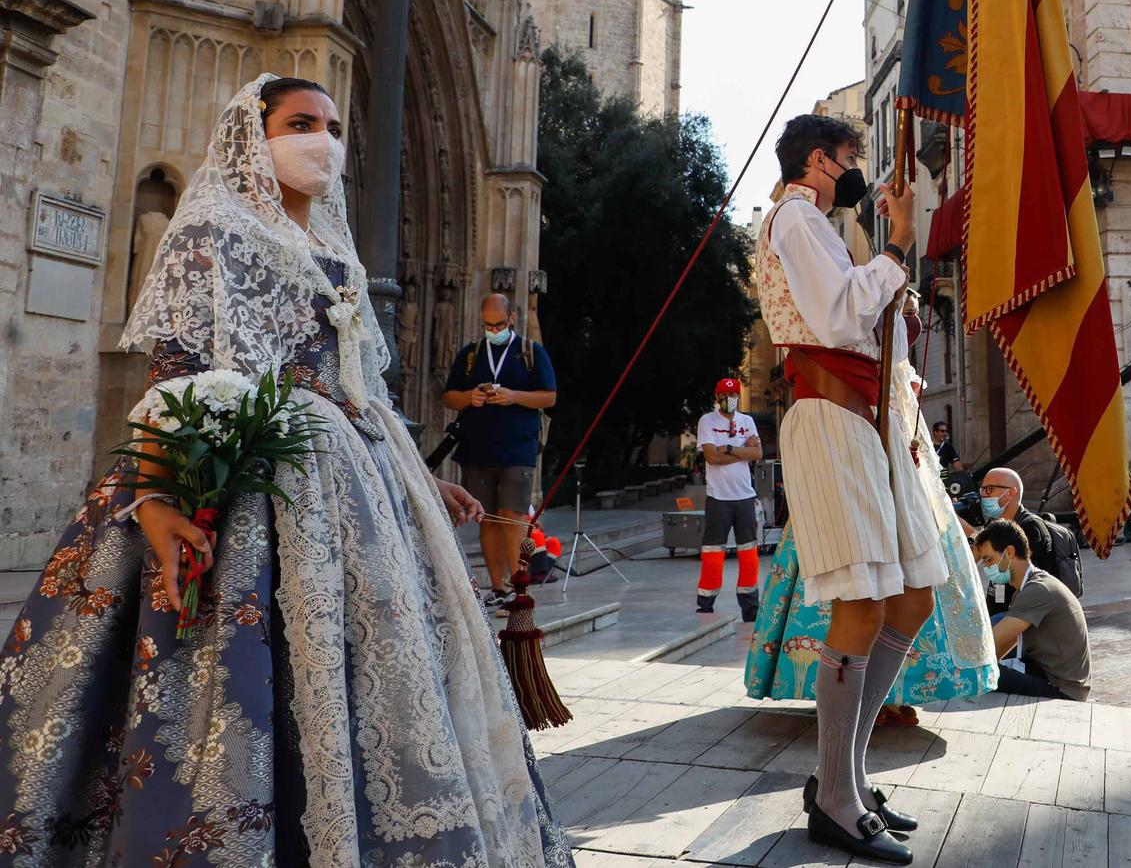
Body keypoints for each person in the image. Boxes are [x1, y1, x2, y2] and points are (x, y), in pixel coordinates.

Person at [0, 76, 570, 863]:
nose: (324, 142)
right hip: (251, 489)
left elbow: (356, 387)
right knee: (231, 690)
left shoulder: (335, 248)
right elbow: (177, 374)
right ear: (252, 136)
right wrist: (158, 500)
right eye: (300, 124)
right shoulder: (212, 232)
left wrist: (419, 477)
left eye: (334, 127)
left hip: (361, 489)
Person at [756, 113, 943, 863]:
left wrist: (896, 289)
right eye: (848, 157)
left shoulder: (826, 231)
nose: (856, 169)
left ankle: (848, 778)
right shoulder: (797, 217)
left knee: (911, 595)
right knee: (862, 601)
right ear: (816, 161)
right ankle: (835, 795)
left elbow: (860, 316)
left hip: (863, 422)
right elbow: (837, 313)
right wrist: (897, 247)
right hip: (828, 418)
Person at [744, 415, 998, 715]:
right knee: (857, 599)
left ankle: (884, 699)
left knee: (911, 596)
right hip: (858, 464)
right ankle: (850, 706)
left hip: (901, 469)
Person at [442, 291, 559, 607]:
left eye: (498, 324)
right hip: (477, 447)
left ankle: (521, 589)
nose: (493, 330)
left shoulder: (530, 352)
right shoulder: (471, 354)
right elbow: (449, 396)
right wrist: (471, 398)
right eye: (487, 325)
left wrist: (513, 395)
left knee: (514, 518)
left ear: (512, 320)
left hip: (518, 449)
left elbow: (549, 397)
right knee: (488, 518)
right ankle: (499, 588)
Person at [973, 520, 1091, 701]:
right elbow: (1003, 644)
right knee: (983, 671)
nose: (987, 568)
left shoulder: (1037, 589)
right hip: (1049, 674)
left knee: (979, 675)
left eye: (989, 560)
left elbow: (987, 647)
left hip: (1063, 690)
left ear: (1009, 552)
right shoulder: (1030, 585)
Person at [696, 377, 764, 619]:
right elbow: (711, 458)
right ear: (718, 398)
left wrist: (728, 448)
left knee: (749, 553)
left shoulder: (747, 421)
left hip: (745, 497)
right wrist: (742, 451)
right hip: (718, 498)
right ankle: (705, 604)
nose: (729, 400)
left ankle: (750, 608)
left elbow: (757, 453)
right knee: (714, 552)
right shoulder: (707, 421)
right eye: (725, 396)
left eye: (734, 395)